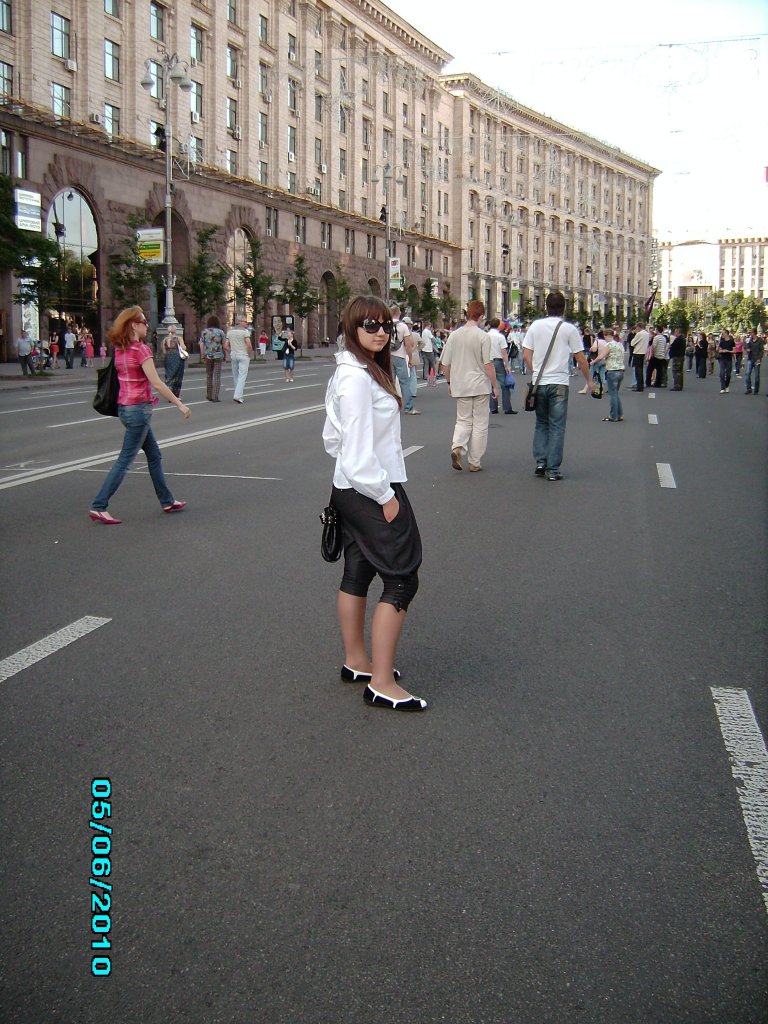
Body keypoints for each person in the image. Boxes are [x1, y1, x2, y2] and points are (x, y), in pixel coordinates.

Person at [322, 295, 427, 713]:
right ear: (352, 328)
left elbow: (332, 439)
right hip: (370, 488)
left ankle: (357, 662)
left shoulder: (356, 370)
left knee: (359, 570)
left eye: (386, 325)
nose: (381, 332)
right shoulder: (356, 378)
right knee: (402, 578)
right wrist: (385, 496)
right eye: (370, 325)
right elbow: (353, 450)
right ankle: (382, 682)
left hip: (350, 487)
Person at [89, 306, 190, 524]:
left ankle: (167, 500)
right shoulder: (141, 350)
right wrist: (179, 404)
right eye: (144, 322)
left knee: (154, 455)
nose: (147, 325)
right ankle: (99, 505)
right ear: (134, 325)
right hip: (139, 410)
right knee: (125, 460)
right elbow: (157, 383)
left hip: (124, 408)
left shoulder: (120, 349)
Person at [522, 289, 593, 481]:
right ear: (564, 308)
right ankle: (553, 470)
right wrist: (589, 381)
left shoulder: (535, 326)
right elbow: (580, 358)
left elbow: (526, 355)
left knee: (541, 423)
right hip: (560, 383)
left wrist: (535, 372)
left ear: (546, 307)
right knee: (557, 426)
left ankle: (540, 462)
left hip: (540, 382)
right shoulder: (569, 329)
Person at [440, 299, 498, 472]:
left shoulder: (454, 335)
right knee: (480, 424)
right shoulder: (483, 337)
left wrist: (449, 382)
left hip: (461, 385)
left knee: (463, 420)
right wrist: (495, 386)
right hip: (480, 385)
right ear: (481, 316)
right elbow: (488, 364)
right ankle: (475, 462)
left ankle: (458, 447)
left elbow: (445, 364)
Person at [389, 305, 419, 414]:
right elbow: (408, 345)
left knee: (389, 383)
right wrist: (410, 358)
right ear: (399, 313)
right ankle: (408, 407)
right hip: (400, 356)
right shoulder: (403, 326)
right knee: (404, 383)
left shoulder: (386, 324)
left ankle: (390, 407)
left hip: (388, 356)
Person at [487, 317, 516, 414]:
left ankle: (493, 407)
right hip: (498, 361)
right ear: (499, 325)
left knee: (491, 384)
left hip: (488, 361)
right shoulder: (500, 337)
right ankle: (507, 408)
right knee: (504, 385)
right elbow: (504, 353)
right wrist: (507, 365)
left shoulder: (485, 336)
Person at [226, 315, 253, 401]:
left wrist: (231, 352)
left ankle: (239, 395)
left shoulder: (230, 332)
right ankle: (237, 396)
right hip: (243, 355)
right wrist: (249, 354)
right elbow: (249, 345)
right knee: (242, 376)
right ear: (240, 322)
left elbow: (226, 346)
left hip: (234, 355)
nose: (246, 323)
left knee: (235, 376)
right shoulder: (245, 332)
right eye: (245, 321)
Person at [199, 315, 225, 401]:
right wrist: (225, 355)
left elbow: (201, 344)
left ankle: (209, 395)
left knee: (209, 375)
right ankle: (215, 396)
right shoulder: (221, 332)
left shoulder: (204, 332)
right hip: (218, 355)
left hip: (208, 356)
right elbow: (224, 345)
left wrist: (202, 355)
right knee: (217, 376)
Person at [602, 328, 625, 422]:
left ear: (607, 335)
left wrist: (593, 362)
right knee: (616, 393)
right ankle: (620, 414)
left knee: (612, 394)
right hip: (621, 370)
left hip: (612, 371)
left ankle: (613, 416)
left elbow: (602, 356)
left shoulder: (609, 345)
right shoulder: (620, 345)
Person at [162, 324, 189, 398]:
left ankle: (169, 395)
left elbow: (164, 351)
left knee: (169, 376)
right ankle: (175, 395)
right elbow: (183, 348)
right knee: (178, 376)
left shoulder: (165, 340)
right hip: (178, 359)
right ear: (175, 330)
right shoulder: (178, 338)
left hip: (168, 358)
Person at [630, 321, 650, 391]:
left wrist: (636, 334)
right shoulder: (647, 334)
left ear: (639, 327)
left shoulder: (639, 334)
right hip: (643, 352)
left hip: (637, 352)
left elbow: (632, 343)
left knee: (637, 370)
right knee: (641, 369)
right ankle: (641, 385)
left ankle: (639, 387)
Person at [744, 330, 764, 394]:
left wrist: (759, 358)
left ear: (754, 333)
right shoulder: (750, 340)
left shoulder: (760, 340)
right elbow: (746, 346)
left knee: (756, 375)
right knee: (747, 374)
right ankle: (749, 389)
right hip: (751, 358)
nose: (750, 334)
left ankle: (756, 390)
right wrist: (747, 349)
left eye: (751, 333)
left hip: (757, 359)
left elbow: (761, 350)